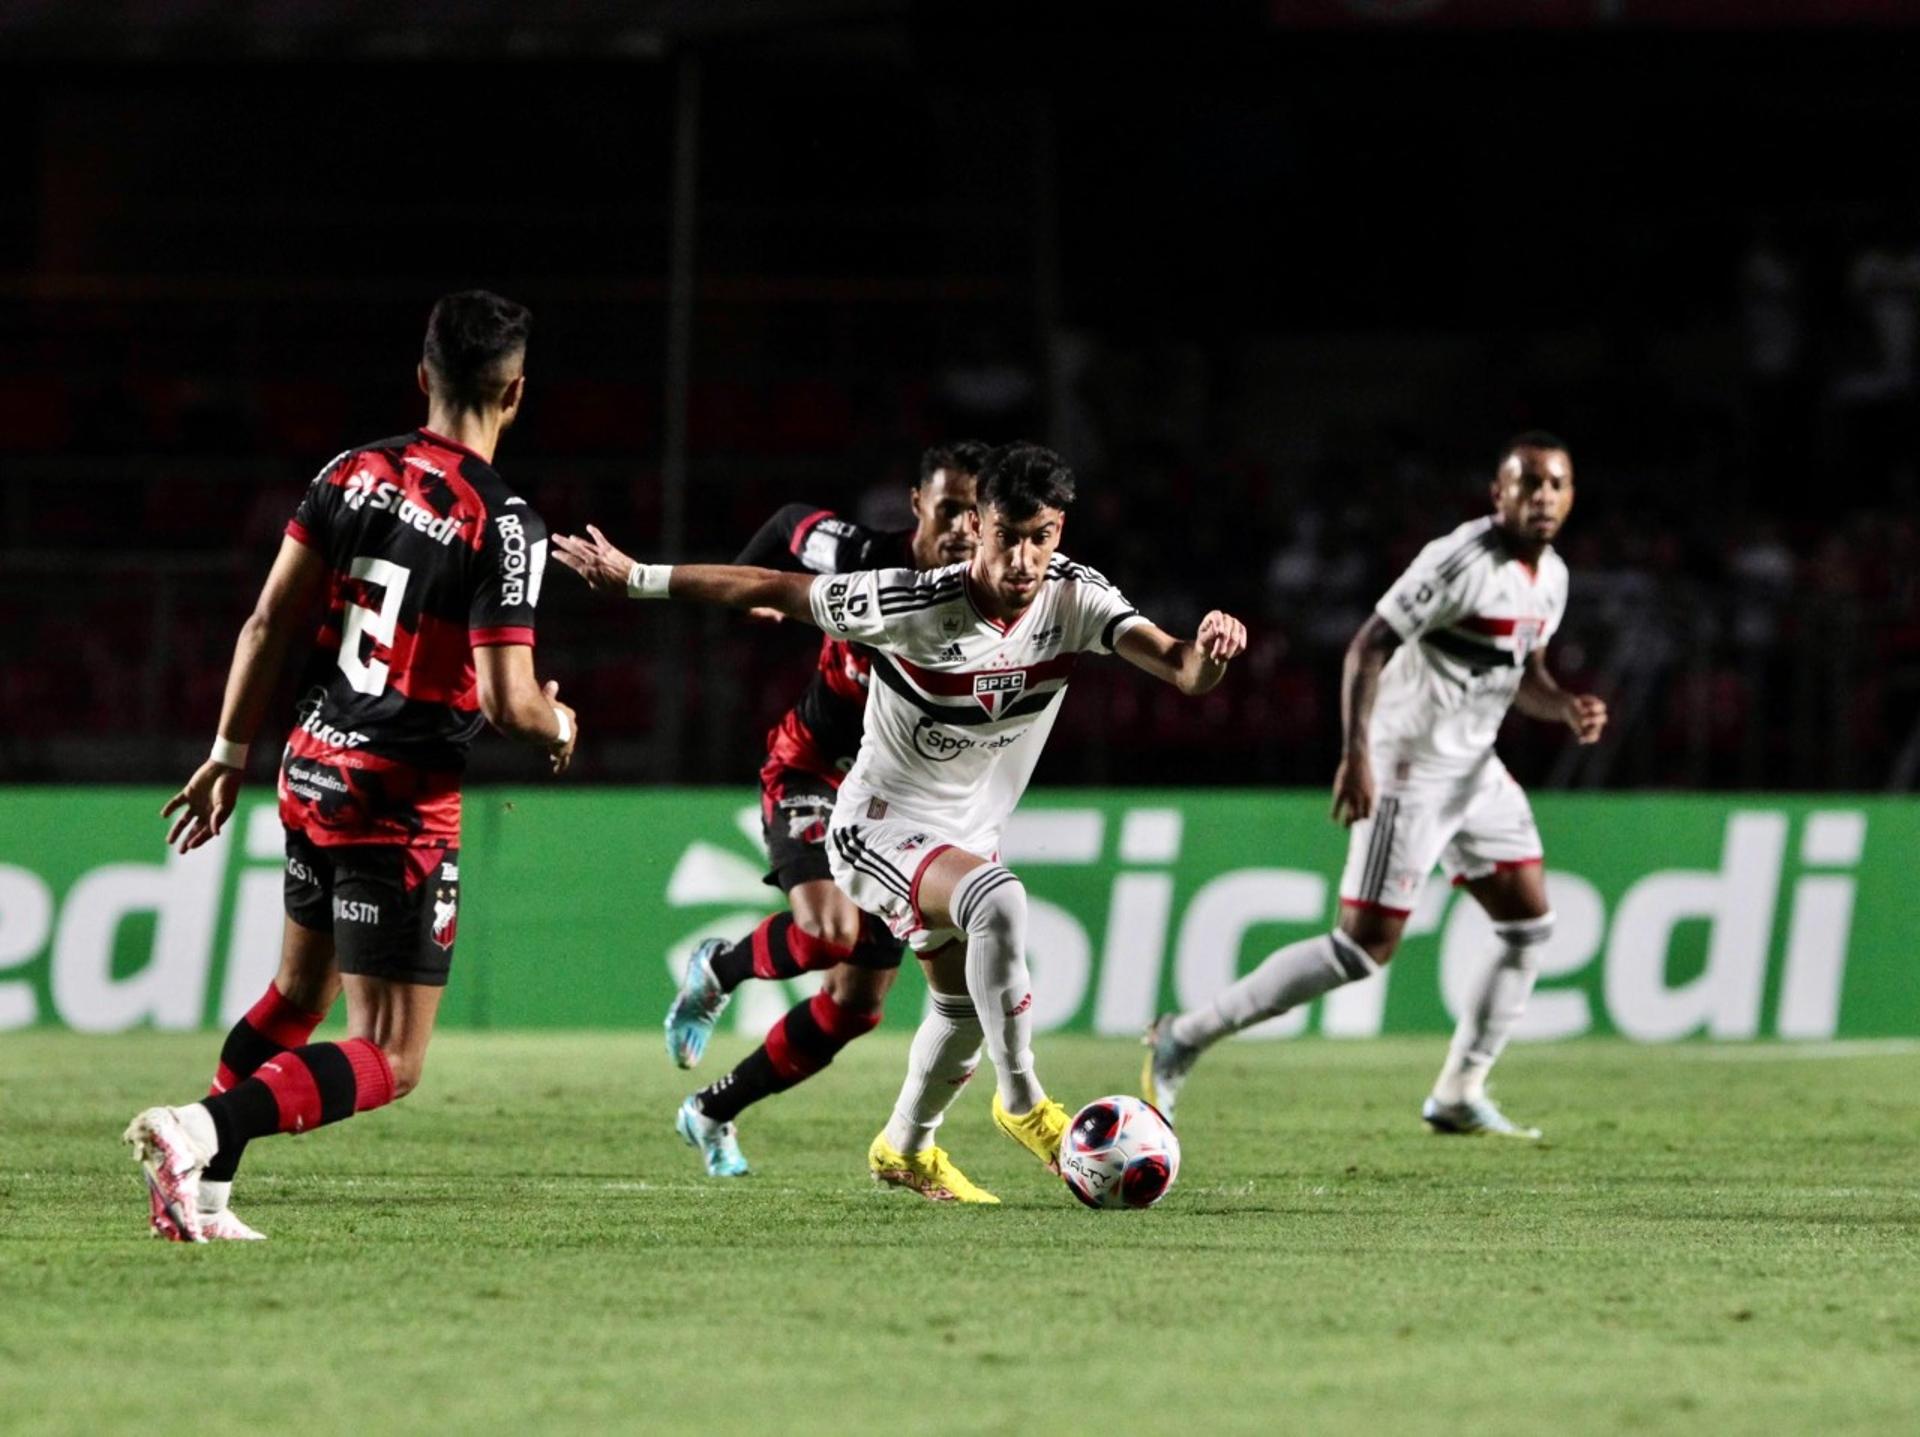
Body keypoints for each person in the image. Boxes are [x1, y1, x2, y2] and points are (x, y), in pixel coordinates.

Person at [555, 442, 1245, 1202]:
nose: (1022, 558)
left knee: (959, 1010)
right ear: (979, 525)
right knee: (996, 902)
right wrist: (637, 576)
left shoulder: (1075, 598)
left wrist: (1211, 650)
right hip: (876, 825)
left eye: (1040, 536)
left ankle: (905, 1147)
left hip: (964, 834)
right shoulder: (910, 603)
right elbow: (777, 586)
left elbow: (1182, 669)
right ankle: (1022, 1103)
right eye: (1007, 534)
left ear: (1059, 530)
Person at [124, 290, 577, 1242]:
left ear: (422, 377)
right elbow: (509, 702)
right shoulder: (506, 523)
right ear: (518, 393)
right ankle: (197, 1129)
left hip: (310, 769)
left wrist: (223, 753)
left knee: (299, 996)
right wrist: (560, 724)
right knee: (390, 1054)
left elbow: (267, 621)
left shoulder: (348, 471)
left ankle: (201, 1197)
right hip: (399, 803)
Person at [1144, 432, 1606, 1139]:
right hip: (1408, 767)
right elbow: (1368, 645)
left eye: (1555, 484)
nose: (1542, 496)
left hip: (1475, 770)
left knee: (1528, 927)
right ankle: (1186, 1035)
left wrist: (1564, 703)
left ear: (1571, 496)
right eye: (1528, 483)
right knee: (1362, 949)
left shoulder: (1554, 578)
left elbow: (1524, 674)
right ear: (1499, 492)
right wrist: (1357, 754)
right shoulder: (1458, 561)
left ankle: (1459, 1090)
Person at [664, 442, 985, 1178]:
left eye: (977, 512)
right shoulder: (859, 553)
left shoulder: (986, 602)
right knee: (829, 928)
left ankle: (711, 1110)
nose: (964, 526)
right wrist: (755, 597)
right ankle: (718, 967)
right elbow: (785, 523)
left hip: (893, 809)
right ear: (917, 504)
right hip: (811, 771)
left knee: (854, 1006)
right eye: (949, 508)